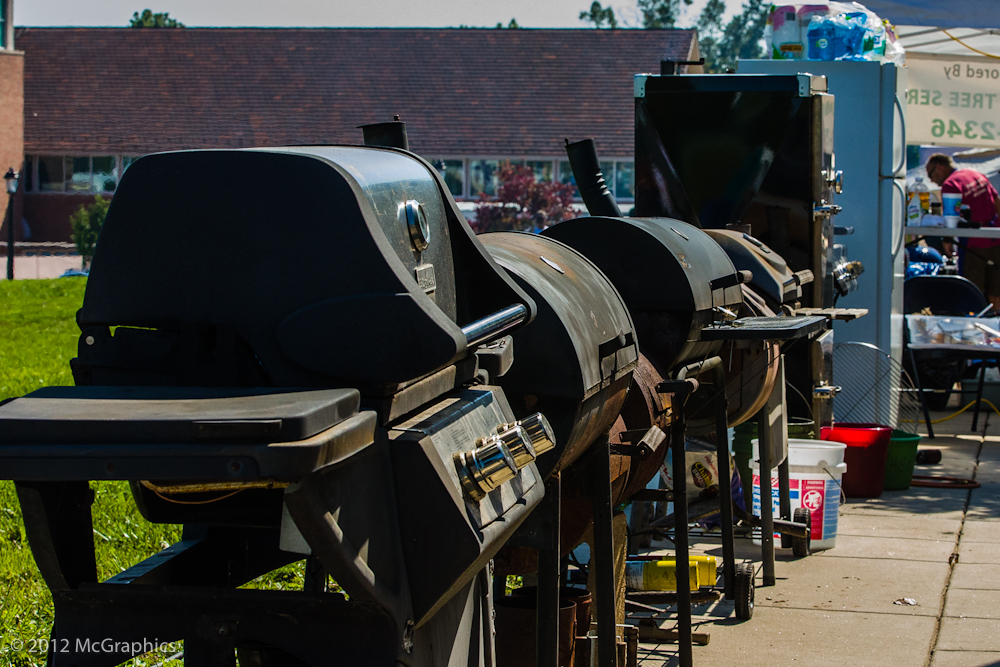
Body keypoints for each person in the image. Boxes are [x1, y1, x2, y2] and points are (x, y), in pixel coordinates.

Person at [926, 153, 1000, 308]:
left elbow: (950, 218)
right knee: (996, 293)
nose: (931, 180)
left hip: (973, 244)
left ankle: (973, 327)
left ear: (939, 167)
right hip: (995, 238)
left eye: (930, 174)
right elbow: (997, 202)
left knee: (972, 293)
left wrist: (947, 240)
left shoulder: (951, 184)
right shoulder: (975, 174)